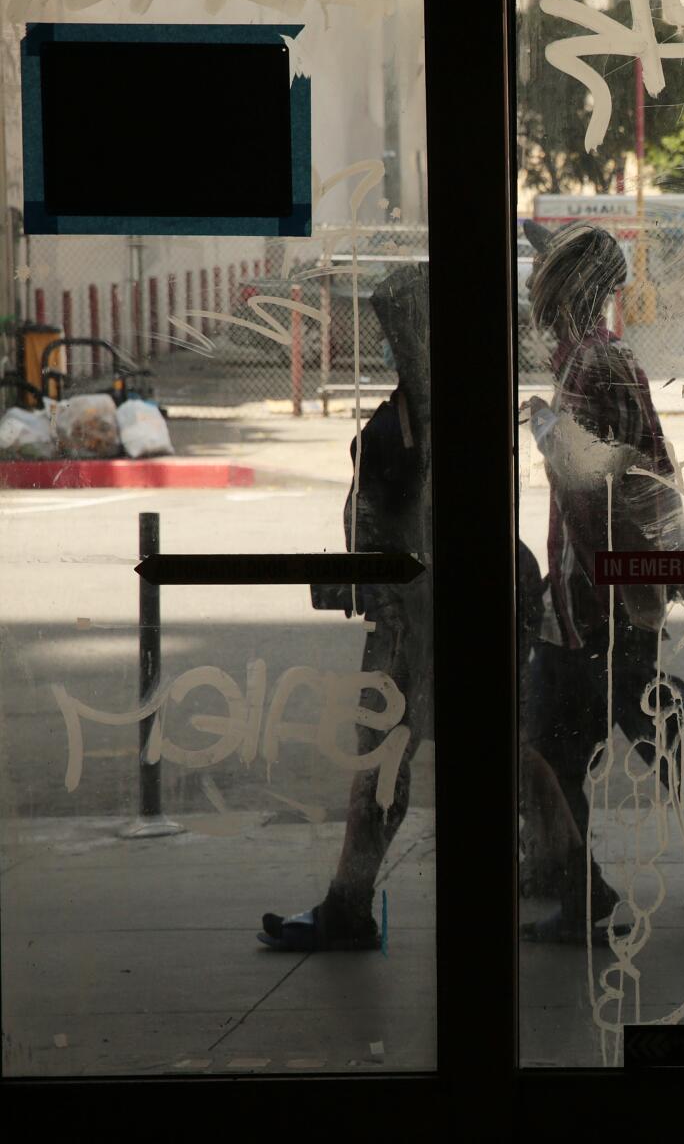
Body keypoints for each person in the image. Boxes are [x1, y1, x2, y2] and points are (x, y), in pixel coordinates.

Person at [520, 223, 684, 943]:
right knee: (644, 718)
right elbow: (653, 470)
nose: (531, 290)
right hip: (610, 588)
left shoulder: (590, 368)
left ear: (563, 288)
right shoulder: (604, 358)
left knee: (549, 742)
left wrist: (586, 601)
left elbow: (594, 487)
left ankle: (584, 889)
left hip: (593, 592)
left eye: (541, 276)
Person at [259, 265, 435, 950]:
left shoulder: (418, 417)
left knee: (381, 759)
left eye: (400, 323)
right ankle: (569, 871)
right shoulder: (419, 411)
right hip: (404, 606)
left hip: (410, 615)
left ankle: (348, 903)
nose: (393, 338)